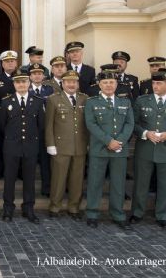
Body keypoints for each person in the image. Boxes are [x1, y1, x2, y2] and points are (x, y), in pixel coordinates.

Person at [130, 68, 166, 229]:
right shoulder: (142, 100)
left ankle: (163, 215)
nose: (155, 86)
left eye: (159, 83)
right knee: (141, 184)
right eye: (154, 83)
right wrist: (145, 133)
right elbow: (133, 124)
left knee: (165, 185)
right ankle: (137, 212)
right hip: (145, 149)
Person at [84, 70, 134, 230]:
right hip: (99, 148)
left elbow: (129, 124)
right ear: (99, 84)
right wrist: (108, 141)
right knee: (95, 182)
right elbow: (91, 124)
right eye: (105, 82)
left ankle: (118, 214)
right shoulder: (91, 102)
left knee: (118, 183)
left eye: (111, 82)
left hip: (119, 149)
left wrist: (119, 141)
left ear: (116, 84)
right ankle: (92, 213)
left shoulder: (125, 102)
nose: (108, 85)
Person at [0, 72, 45, 223]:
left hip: (30, 146)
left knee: (29, 180)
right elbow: (2, 125)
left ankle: (28, 209)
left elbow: (41, 125)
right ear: (14, 85)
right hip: (11, 146)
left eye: (24, 82)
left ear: (29, 83)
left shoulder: (38, 101)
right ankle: (8, 209)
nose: (21, 85)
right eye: (18, 82)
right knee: (9, 179)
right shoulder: (6, 102)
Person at [45, 70, 88, 220]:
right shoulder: (53, 99)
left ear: (78, 84)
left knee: (77, 179)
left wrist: (88, 143)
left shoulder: (85, 99)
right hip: (60, 146)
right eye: (68, 82)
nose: (71, 84)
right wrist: (50, 144)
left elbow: (87, 124)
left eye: (74, 82)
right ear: (62, 84)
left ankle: (74, 207)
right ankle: (55, 207)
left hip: (80, 146)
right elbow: (49, 124)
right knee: (59, 178)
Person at [0, 50, 20, 180]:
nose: (10, 63)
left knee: (18, 145)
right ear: (2, 64)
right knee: (1, 144)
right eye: (7, 62)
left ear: (16, 63)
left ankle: (19, 172)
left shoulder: (21, 77)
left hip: (18, 117)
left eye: (12, 61)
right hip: (1, 117)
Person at [29, 63, 54, 197]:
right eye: (34, 73)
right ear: (30, 76)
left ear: (43, 76)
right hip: (30, 130)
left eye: (39, 73)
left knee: (45, 162)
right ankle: (29, 189)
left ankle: (46, 188)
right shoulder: (25, 90)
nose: (37, 76)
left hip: (45, 130)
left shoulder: (49, 90)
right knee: (30, 162)